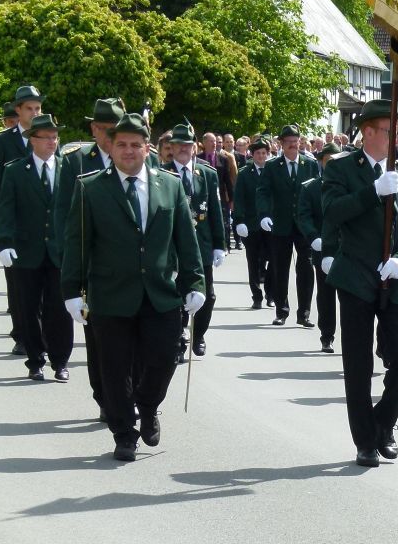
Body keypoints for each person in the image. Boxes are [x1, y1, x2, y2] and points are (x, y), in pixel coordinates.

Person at [61, 113, 205, 462]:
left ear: (147, 148)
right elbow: (77, 242)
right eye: (122, 144)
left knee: (164, 356)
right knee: (114, 368)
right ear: (111, 148)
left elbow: (185, 239)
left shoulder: (169, 185)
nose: (129, 151)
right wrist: (71, 290)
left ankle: (148, 404)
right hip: (110, 294)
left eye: (136, 145)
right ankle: (124, 433)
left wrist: (194, 281)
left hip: (159, 291)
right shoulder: (91, 187)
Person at [322, 100, 398, 467]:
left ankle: (383, 422)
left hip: (393, 279)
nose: (396, 137)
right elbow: (331, 212)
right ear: (367, 131)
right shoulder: (342, 169)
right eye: (389, 130)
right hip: (355, 277)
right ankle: (365, 440)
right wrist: (373, 192)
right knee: (358, 364)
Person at [53, 96, 126, 416]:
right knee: (99, 341)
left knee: (136, 340)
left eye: (116, 128)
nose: (111, 135)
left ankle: (129, 397)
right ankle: (106, 397)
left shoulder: (140, 158)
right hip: (94, 270)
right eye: (105, 128)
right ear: (94, 129)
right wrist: (69, 267)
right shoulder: (76, 162)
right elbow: (62, 217)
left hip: (133, 267)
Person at [0, 113, 73, 383]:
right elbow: (6, 208)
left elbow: (76, 211)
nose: (52, 142)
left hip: (60, 251)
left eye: (55, 137)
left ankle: (60, 362)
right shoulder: (15, 171)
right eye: (47, 137)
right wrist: (5, 242)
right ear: (33, 140)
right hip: (26, 251)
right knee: (28, 309)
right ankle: (35, 360)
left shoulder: (67, 168)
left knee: (60, 309)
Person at [0, 84, 44, 354]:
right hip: (14, 223)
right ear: (18, 110)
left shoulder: (46, 137)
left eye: (38, 108)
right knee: (18, 282)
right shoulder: (3, 141)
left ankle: (41, 333)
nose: (34, 113)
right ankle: (21, 333)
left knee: (45, 280)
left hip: (41, 223)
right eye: (29, 108)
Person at [161, 120, 225, 359]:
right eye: (178, 144)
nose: (183, 149)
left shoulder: (207, 174)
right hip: (172, 247)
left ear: (195, 147)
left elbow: (215, 211)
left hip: (201, 245)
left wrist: (219, 245)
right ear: (171, 146)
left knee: (207, 295)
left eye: (187, 145)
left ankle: (198, 335)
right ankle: (178, 338)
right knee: (176, 296)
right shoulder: (162, 173)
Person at [256, 123, 318, 327]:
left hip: (304, 225)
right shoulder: (272, 166)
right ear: (281, 144)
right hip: (280, 224)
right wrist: (264, 214)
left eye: (296, 141)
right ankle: (281, 311)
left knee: (306, 268)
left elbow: (317, 192)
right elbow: (263, 191)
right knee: (280, 268)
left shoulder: (310, 164)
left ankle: (304, 313)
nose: (293, 145)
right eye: (289, 142)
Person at [296, 143, 341, 353]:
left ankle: (354, 338)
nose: (331, 165)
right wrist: (313, 237)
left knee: (353, 297)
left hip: (349, 248)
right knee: (326, 293)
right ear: (321, 162)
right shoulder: (311, 187)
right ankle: (327, 335)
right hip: (323, 247)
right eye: (328, 161)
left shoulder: (349, 185)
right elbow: (303, 215)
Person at [233, 137, 271, 308]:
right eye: (258, 153)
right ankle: (257, 295)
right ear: (252, 155)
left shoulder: (272, 170)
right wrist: (239, 221)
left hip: (270, 223)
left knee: (272, 259)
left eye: (264, 153)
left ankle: (271, 293)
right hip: (251, 224)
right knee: (253, 260)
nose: (261, 156)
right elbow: (239, 198)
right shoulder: (244, 173)